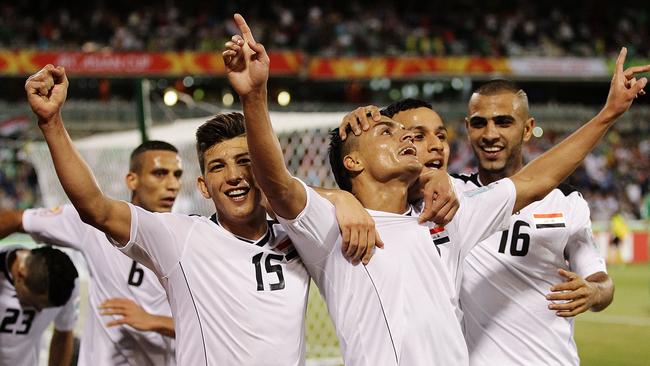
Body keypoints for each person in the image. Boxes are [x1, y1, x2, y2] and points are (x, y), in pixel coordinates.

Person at [223, 13, 648, 365]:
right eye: (388, 133)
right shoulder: (330, 226)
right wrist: (255, 97)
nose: (408, 139)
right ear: (352, 162)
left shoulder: (449, 213)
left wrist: (609, 114)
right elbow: (275, 182)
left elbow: (536, 179)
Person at [24, 64, 381, 365]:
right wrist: (52, 122)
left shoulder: (299, 235)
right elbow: (95, 207)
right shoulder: (179, 238)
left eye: (245, 162)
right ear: (204, 186)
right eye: (218, 167)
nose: (234, 176)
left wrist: (342, 199)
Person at [451, 79, 615, 365]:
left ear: (527, 129)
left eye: (504, 122)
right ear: (467, 128)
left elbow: (602, 281)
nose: (490, 134)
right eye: (479, 123)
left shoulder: (566, 202)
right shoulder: (452, 196)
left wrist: (593, 292)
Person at [0, 141, 179, 366]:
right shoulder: (95, 224)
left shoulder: (187, 240)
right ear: (132, 180)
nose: (172, 184)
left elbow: (211, 322)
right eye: (160, 174)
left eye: (177, 175)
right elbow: (17, 219)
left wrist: (153, 321)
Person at [0, 245, 78, 366]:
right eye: (34, 303)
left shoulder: (66, 283)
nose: (39, 311)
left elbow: (63, 335)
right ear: (21, 276)